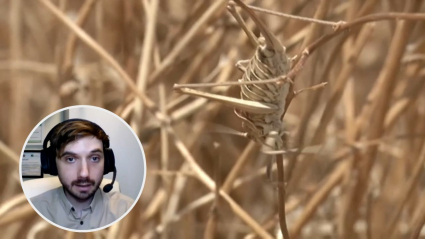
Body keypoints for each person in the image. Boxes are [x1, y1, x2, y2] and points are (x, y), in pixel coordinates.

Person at [30, 119, 134, 230]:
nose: (84, 174)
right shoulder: (31, 213)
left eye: (94, 158)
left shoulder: (128, 210)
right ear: (52, 164)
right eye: (70, 159)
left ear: (107, 163)